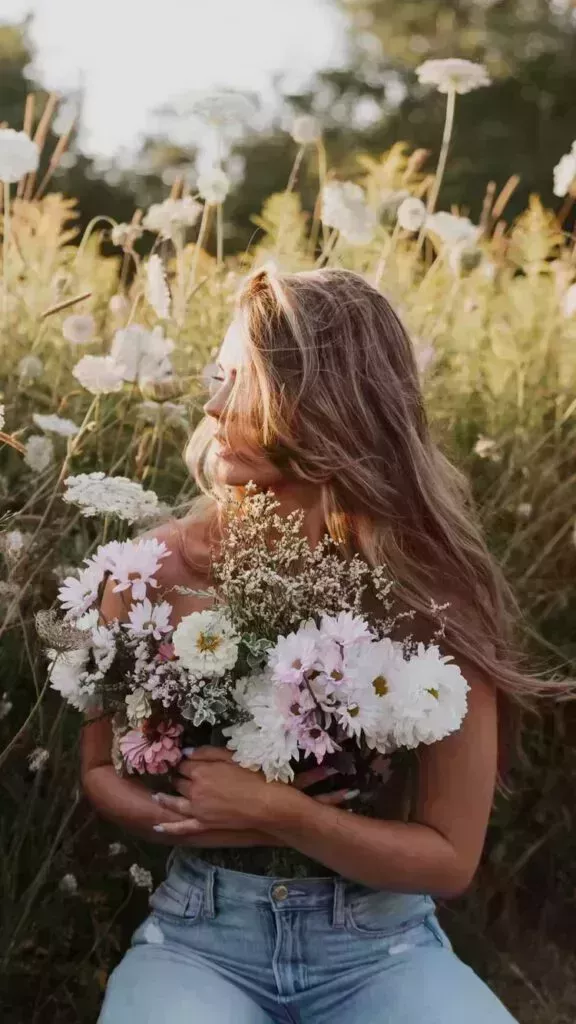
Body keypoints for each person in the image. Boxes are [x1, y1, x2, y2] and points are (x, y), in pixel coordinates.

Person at [87, 267, 525, 1022]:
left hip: (381, 947)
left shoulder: (432, 596)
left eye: (242, 382)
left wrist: (282, 815)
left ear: (329, 408)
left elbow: (450, 860)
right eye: (217, 376)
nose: (211, 404)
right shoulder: (148, 570)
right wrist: (193, 815)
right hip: (198, 941)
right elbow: (96, 769)